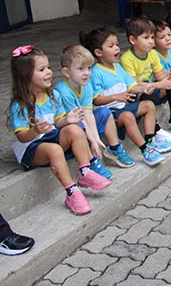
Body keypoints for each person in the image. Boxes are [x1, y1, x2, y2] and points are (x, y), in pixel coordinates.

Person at [8, 45, 111, 215]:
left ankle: (85, 171)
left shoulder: (52, 96)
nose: (49, 72)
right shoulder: (19, 105)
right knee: (55, 149)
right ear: (25, 76)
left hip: (50, 138)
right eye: (42, 69)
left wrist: (67, 120)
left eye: (48, 67)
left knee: (75, 129)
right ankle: (72, 192)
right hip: (31, 148)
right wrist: (34, 131)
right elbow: (22, 137)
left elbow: (58, 121)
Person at [80, 27, 171, 167]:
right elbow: (96, 100)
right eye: (111, 46)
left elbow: (132, 86)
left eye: (117, 44)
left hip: (124, 106)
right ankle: (145, 150)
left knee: (148, 105)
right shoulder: (96, 72)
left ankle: (150, 140)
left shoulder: (118, 67)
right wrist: (115, 97)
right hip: (111, 114)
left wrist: (148, 87)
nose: (117, 48)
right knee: (128, 116)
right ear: (98, 52)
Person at [56, 45, 135, 175]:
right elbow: (79, 119)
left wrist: (97, 139)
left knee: (104, 112)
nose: (87, 73)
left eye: (89, 68)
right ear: (66, 72)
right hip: (71, 130)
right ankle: (92, 162)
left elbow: (88, 113)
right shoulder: (63, 91)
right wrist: (92, 141)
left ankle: (114, 148)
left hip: (84, 124)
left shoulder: (85, 86)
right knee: (78, 124)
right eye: (80, 69)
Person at [120, 16, 171, 134]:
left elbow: (160, 74)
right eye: (146, 38)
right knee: (147, 90)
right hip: (138, 94)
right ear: (132, 40)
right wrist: (160, 84)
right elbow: (133, 85)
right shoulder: (127, 59)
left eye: (152, 37)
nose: (151, 41)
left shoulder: (152, 54)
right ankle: (156, 130)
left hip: (153, 88)